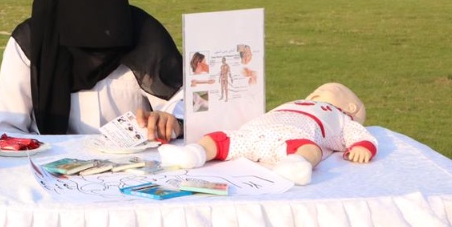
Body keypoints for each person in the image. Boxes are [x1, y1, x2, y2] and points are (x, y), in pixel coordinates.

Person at [0, 0, 184, 141]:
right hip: (53, 158)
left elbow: (184, 101)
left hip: (136, 159)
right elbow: (8, 128)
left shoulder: (142, 31)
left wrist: (173, 122)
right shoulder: (31, 41)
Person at [158, 82, 378, 185]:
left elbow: (357, 133)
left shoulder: (340, 116)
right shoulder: (296, 102)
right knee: (222, 139)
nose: (315, 93)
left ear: (350, 107)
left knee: (310, 149)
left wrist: (362, 146)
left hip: (292, 139)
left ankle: (297, 164)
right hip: (255, 132)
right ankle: (194, 153)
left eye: (325, 91)